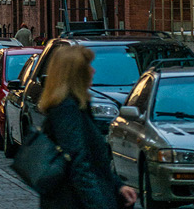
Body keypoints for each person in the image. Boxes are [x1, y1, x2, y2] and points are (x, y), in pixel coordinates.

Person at [34, 43, 137, 209]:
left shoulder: (79, 106)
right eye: (87, 66)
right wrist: (98, 204)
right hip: (72, 200)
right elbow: (79, 163)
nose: (93, 71)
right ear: (75, 75)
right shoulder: (66, 109)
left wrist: (118, 186)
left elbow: (96, 162)